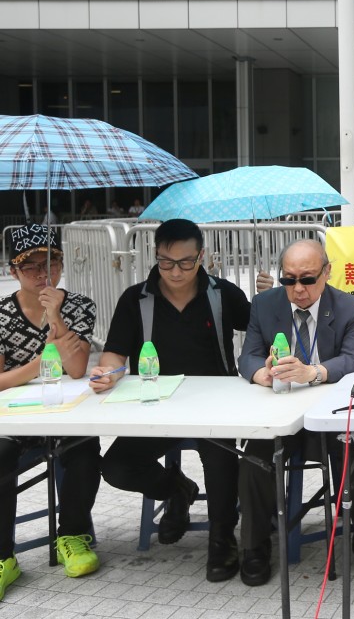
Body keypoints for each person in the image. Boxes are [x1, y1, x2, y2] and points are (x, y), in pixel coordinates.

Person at [90, 219, 271, 583]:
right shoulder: (135, 299)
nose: (175, 271)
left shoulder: (222, 293)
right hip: (155, 406)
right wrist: (106, 373)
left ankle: (223, 537)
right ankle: (177, 489)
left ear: (202, 256)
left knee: (222, 460)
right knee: (116, 467)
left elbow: (262, 336)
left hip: (215, 405)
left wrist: (265, 301)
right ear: (155, 257)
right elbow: (113, 354)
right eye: (166, 262)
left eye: (186, 262)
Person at [237, 239, 354, 586]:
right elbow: (248, 355)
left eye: (307, 279)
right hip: (281, 410)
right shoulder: (264, 305)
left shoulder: (347, 307)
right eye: (289, 280)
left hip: (330, 412)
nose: (297, 289)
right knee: (253, 458)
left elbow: (353, 357)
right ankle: (254, 547)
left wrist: (312, 372)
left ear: (327, 272)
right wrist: (262, 373)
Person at [0, 224, 101, 599]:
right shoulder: (2, 314)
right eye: (32, 268)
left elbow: (76, 369)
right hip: (18, 417)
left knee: (84, 445)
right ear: (13, 271)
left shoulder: (79, 305)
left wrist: (56, 316)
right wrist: (38, 364)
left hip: (66, 408)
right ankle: (3, 558)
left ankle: (72, 534)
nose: (44, 275)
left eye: (51, 264)